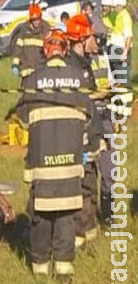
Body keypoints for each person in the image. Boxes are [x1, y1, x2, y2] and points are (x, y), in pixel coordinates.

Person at [18, 30, 94, 283]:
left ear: (47, 51)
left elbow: (21, 118)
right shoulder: (79, 78)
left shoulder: (32, 80)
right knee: (66, 216)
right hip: (70, 165)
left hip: (42, 164)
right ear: (64, 50)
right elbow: (89, 116)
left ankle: (40, 270)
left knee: (41, 217)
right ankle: (64, 273)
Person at [64, 14, 104, 248]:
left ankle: (89, 237)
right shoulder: (72, 68)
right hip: (80, 140)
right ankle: (79, 239)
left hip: (92, 138)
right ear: (80, 39)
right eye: (92, 36)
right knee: (83, 188)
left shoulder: (85, 63)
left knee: (91, 187)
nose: (96, 41)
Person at [10, 3, 53, 144]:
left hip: (41, 72)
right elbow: (18, 48)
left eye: (37, 19)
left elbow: (51, 49)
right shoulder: (24, 29)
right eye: (33, 20)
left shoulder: (46, 29)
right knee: (24, 99)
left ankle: (41, 127)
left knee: (41, 99)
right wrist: (15, 64)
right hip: (26, 72)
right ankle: (25, 125)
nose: (35, 22)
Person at [109, 0, 133, 123]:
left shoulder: (125, 17)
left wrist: (125, 52)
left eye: (115, 6)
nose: (114, 9)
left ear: (120, 5)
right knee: (118, 80)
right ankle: (120, 108)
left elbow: (129, 37)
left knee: (124, 81)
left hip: (122, 51)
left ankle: (127, 110)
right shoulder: (118, 15)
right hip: (116, 50)